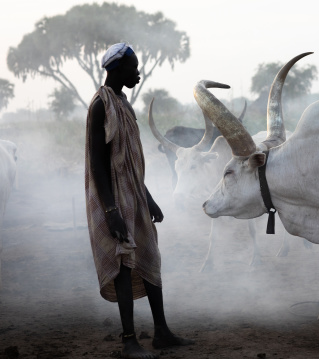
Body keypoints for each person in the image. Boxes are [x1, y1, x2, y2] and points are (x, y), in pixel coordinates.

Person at [85, 42, 193, 359]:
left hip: (134, 194)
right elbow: (97, 165)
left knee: (151, 257)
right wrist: (110, 210)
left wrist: (150, 198)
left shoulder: (124, 103)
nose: (138, 72)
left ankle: (161, 332)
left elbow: (130, 164)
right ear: (118, 69)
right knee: (123, 264)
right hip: (113, 199)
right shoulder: (99, 106)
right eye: (134, 67)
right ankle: (129, 340)